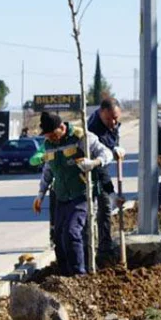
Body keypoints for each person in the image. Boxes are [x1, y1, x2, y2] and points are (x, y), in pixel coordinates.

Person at [32, 111, 114, 276]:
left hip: (81, 194)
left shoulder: (81, 137)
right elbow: (49, 170)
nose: (51, 139)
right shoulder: (49, 144)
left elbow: (107, 153)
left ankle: (79, 274)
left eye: (53, 135)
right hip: (61, 196)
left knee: (72, 232)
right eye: (48, 136)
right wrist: (40, 194)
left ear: (62, 127)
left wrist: (94, 163)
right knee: (58, 236)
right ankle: (64, 274)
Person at [86, 98, 127, 260]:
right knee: (102, 208)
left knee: (104, 210)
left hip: (101, 169)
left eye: (116, 117)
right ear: (101, 113)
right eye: (109, 119)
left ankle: (104, 246)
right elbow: (100, 168)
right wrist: (112, 193)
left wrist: (115, 148)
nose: (113, 122)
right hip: (91, 173)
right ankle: (100, 250)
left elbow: (113, 139)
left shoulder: (112, 123)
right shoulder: (94, 130)